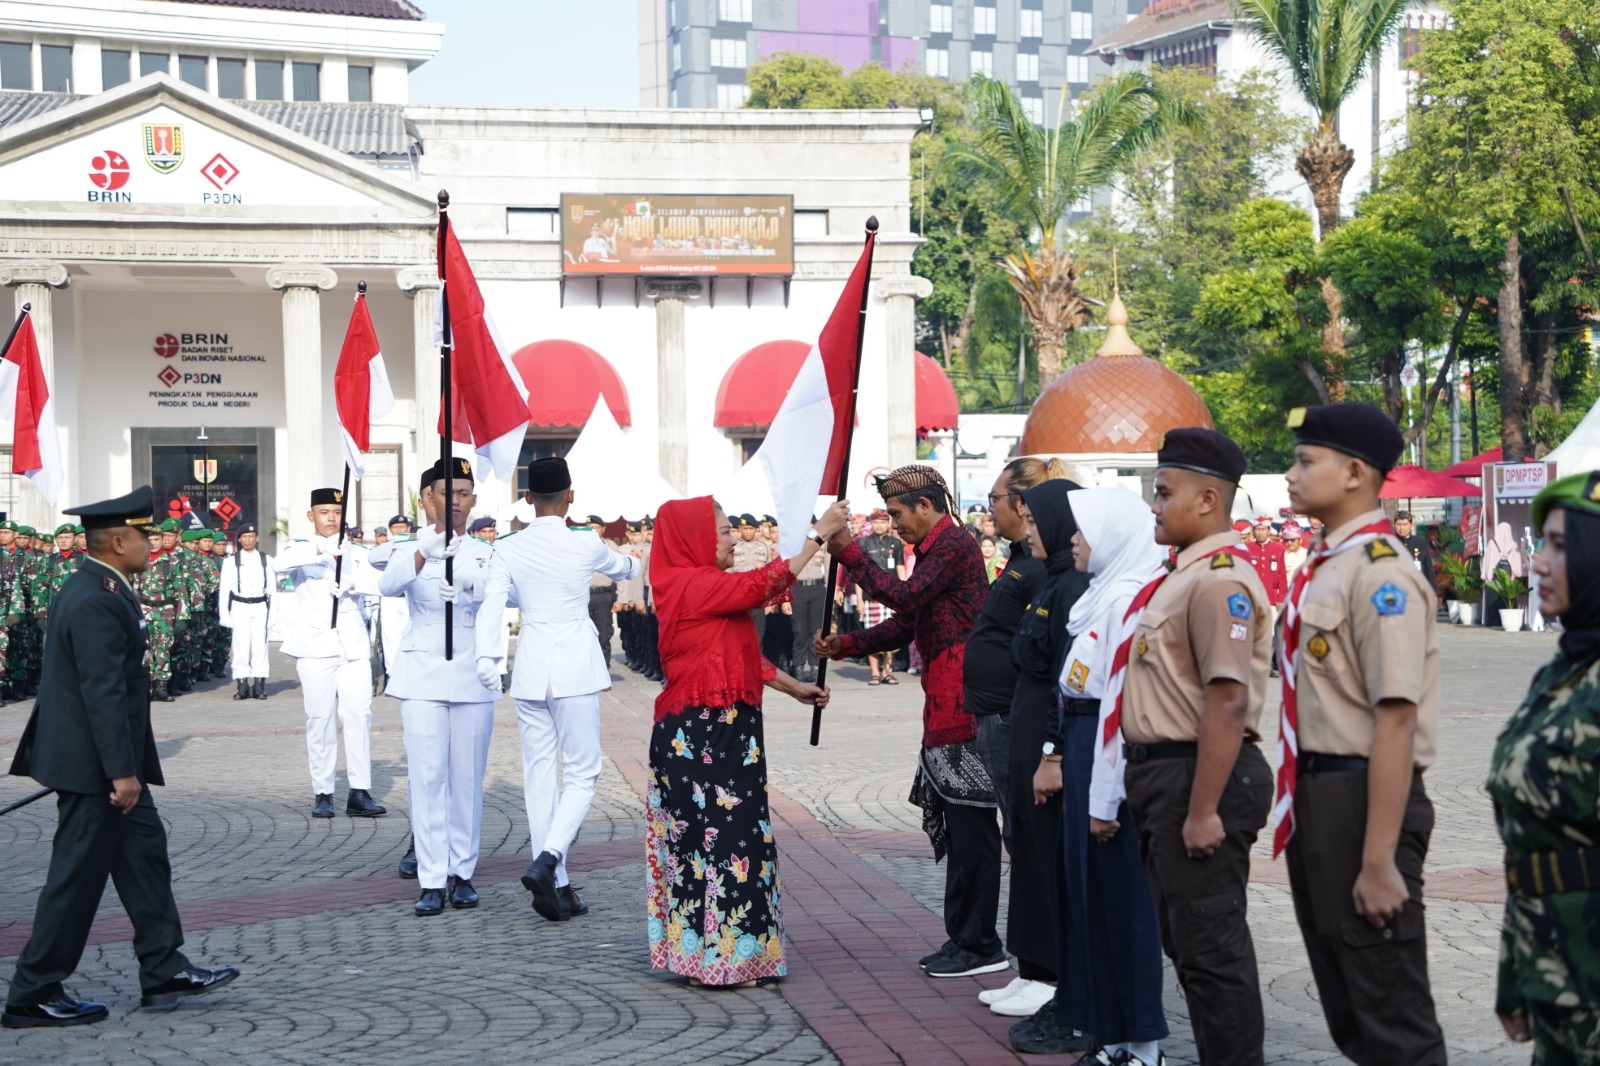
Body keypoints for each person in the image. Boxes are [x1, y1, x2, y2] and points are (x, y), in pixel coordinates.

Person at [3, 486, 238, 1029]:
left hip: (105, 762)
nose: (151, 545)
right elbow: (102, 691)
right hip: (97, 769)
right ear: (115, 540)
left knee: (144, 858)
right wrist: (121, 773)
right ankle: (32, 991)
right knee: (76, 877)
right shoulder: (96, 597)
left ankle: (163, 967)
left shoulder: (100, 585)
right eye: (142, 536)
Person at [1279, 404, 1446, 1064]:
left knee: (1388, 1001)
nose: (1292, 475)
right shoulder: (1329, 563)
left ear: (1354, 472)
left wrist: (1379, 861)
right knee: (1349, 998)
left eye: (1304, 461)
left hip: (1364, 798)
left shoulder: (1382, 574)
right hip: (1319, 798)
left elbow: (1397, 719)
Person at [1115, 428, 1273, 1066]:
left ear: (1209, 499)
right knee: (1189, 944)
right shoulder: (1182, 576)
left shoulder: (1217, 580)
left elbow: (1228, 700)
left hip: (1199, 776)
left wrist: (1204, 809)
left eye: (1164, 493)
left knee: (1212, 951)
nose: (1154, 506)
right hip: (1166, 776)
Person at [646, 496, 842, 986]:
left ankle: (731, 956)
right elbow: (765, 583)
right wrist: (817, 536)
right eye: (724, 530)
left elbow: (739, 655)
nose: (733, 537)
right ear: (694, 538)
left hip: (726, 733)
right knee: (714, 844)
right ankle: (718, 962)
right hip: (699, 737)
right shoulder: (689, 583)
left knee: (735, 841)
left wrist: (795, 687)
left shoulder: (706, 590)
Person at [816, 466, 996, 978]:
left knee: (972, 829)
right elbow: (908, 622)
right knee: (962, 831)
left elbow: (905, 597)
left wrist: (848, 551)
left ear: (926, 505)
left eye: (898, 515)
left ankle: (980, 942)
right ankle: (964, 937)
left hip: (963, 703)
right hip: (943, 700)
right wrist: (846, 644)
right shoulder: (937, 549)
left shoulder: (955, 544)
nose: (895, 526)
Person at [1017, 486, 1171, 1062]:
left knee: (1122, 901)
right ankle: (1109, 1034)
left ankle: (1143, 1044)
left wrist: (1106, 797)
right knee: (1089, 898)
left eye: (1085, 530)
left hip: (1107, 750)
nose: (1074, 540)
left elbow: (1120, 705)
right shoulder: (1102, 594)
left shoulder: (1130, 599)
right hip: (1083, 740)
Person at [477, 458, 637, 922]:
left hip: (530, 667)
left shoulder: (508, 547)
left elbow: (495, 602)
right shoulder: (584, 542)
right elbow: (623, 567)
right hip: (572, 667)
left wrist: (488, 659)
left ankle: (558, 884)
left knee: (540, 776)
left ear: (527, 499)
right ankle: (549, 860)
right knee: (584, 771)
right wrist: (633, 559)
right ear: (571, 496)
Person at [1489, 471, 1600, 1061]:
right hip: (1559, 973)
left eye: (1561, 546)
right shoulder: (1563, 672)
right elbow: (1535, 850)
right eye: (1542, 544)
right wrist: (1517, 971)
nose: (1538, 563)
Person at [383, 457, 500, 916]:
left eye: (463, 493)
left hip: (471, 672)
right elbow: (389, 585)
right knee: (428, 777)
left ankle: (462, 873)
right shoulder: (410, 546)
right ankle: (431, 877)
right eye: (445, 493)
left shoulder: (486, 551)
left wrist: (473, 588)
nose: (455, 501)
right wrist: (424, 551)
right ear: (426, 498)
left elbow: (508, 594)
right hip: (422, 675)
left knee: (467, 779)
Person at [992, 476, 1087, 1022]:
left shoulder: (1073, 586)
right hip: (1026, 731)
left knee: (1046, 851)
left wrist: (1051, 753)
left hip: (1046, 737)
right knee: (1024, 846)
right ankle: (1030, 966)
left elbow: (1063, 677)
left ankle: (1052, 971)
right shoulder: (1050, 581)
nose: (1027, 532)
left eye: (1034, 523)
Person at [275, 488, 386, 819]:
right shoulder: (300, 549)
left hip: (352, 645)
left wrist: (354, 583)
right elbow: (280, 565)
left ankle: (359, 791)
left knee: (359, 716)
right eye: (324, 512)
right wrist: (320, 551)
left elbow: (381, 582)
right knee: (320, 719)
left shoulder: (357, 552)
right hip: (314, 647)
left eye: (336, 512)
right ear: (312, 516)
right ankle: (323, 791)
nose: (331, 518)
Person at [218, 523, 274, 701]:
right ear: (239, 539)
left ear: (257, 538)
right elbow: (224, 591)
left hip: (259, 606)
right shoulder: (230, 561)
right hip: (239, 606)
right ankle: (242, 684)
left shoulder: (267, 560)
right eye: (244, 537)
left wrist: (274, 616)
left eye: (251, 536)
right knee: (240, 646)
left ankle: (259, 685)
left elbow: (272, 590)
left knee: (260, 646)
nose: (248, 540)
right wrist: (224, 615)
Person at [854, 508, 906, 686]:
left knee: (891, 635)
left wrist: (904, 592)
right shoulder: (862, 543)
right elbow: (858, 575)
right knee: (872, 635)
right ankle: (874, 672)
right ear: (871, 523)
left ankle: (887, 672)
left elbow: (900, 567)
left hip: (891, 596)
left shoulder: (896, 543)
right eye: (876, 522)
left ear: (888, 524)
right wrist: (859, 599)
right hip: (871, 596)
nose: (879, 525)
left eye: (883, 522)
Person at [789, 516, 828, 684]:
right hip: (798, 587)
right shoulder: (793, 543)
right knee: (799, 630)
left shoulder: (822, 542)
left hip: (818, 588)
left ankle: (815, 665)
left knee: (816, 629)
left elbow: (829, 563)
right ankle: (798, 665)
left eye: (811, 524)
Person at [1393, 511, 1437, 595]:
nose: (1401, 528)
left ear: (1411, 525)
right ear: (1394, 525)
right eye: (1399, 524)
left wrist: (1433, 593)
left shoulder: (1421, 543)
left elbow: (1429, 569)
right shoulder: (1390, 542)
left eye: (1405, 524)